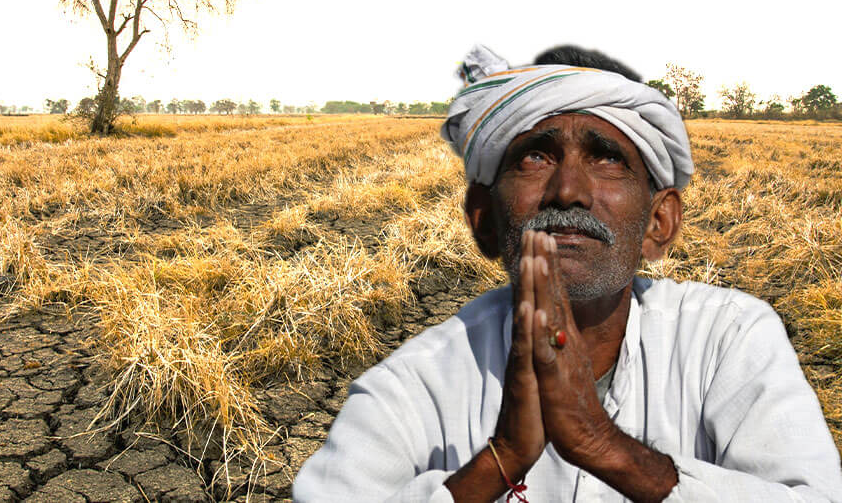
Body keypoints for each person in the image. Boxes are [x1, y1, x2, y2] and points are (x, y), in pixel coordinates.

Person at [293, 45, 842, 502]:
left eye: (608, 158)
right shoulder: (414, 387)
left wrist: (602, 445)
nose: (568, 191)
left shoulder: (728, 340)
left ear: (659, 223)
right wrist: (501, 459)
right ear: (484, 220)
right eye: (535, 157)